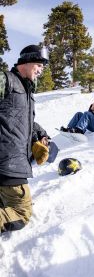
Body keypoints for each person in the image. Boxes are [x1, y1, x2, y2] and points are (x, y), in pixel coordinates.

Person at [0, 44, 50, 233]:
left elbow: (25, 122)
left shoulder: (26, 91)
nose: (40, 70)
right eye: (39, 65)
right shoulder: (6, 80)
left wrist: (41, 134)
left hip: (13, 162)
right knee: (21, 213)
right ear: (26, 62)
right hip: (8, 163)